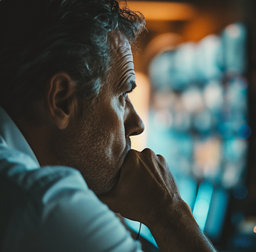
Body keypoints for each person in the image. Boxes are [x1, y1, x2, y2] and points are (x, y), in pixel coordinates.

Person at [0, 0, 216, 251]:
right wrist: (169, 212)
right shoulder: (50, 206)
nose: (137, 124)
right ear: (62, 100)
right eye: (123, 96)